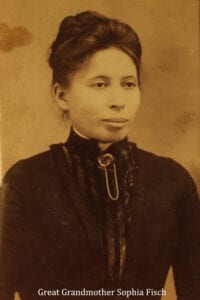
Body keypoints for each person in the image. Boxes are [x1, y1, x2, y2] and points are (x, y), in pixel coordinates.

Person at [0, 10, 199, 300]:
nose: (119, 102)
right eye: (100, 84)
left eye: (129, 84)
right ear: (61, 95)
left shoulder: (172, 181)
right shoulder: (25, 182)